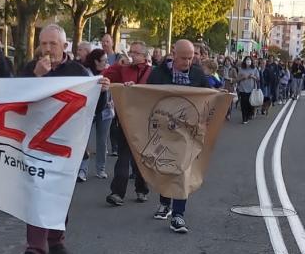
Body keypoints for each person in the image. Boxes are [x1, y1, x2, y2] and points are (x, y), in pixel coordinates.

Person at [14, 24, 109, 254]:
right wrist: (36, 76)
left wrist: (102, 93)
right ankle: (35, 251)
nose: (47, 49)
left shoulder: (78, 72)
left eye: (52, 44)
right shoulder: (29, 68)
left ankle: (55, 239)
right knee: (38, 191)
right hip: (36, 142)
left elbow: (94, 111)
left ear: (64, 46)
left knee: (60, 192)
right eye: (43, 44)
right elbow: (16, 100)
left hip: (66, 145)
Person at [145, 39, 215, 234]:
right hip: (164, 132)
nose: (187, 62)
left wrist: (220, 96)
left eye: (190, 58)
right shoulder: (158, 74)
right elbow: (145, 95)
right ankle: (164, 203)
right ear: (173, 54)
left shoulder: (197, 74)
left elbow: (207, 97)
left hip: (187, 134)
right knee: (165, 168)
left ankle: (178, 214)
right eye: (183, 58)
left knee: (183, 171)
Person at [102, 41, 153, 207]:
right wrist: (118, 64)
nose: (132, 55)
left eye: (136, 53)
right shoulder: (123, 69)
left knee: (139, 157)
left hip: (144, 121)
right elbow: (105, 77)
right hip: (124, 118)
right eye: (131, 52)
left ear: (145, 56)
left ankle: (141, 188)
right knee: (123, 156)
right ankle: (117, 192)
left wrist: (137, 88)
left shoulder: (152, 72)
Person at [78, 48, 111, 181]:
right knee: (84, 140)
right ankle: (82, 170)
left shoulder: (109, 72)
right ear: (96, 61)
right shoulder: (86, 74)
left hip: (105, 110)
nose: (106, 63)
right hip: (88, 111)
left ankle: (101, 169)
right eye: (104, 61)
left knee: (102, 141)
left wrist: (106, 91)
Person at [237, 56, 259, 123]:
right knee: (243, 104)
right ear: (244, 61)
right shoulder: (241, 69)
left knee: (250, 104)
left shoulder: (254, 69)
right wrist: (243, 78)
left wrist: (253, 76)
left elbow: (258, 78)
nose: (248, 61)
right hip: (243, 89)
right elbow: (237, 79)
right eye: (247, 60)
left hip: (251, 89)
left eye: (249, 60)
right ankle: (244, 118)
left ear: (251, 61)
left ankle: (250, 114)